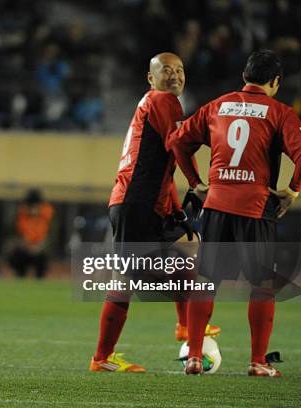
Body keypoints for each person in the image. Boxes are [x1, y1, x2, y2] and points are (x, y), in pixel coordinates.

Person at [170, 50, 301, 377]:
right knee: (262, 285)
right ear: (275, 82)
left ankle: (194, 356)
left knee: (206, 281)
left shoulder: (217, 105)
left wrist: (195, 183)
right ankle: (257, 362)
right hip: (255, 205)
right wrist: (292, 190)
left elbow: (177, 140)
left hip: (217, 203)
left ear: (244, 75)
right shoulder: (279, 112)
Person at [89, 52, 219, 374]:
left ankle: (185, 327)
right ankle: (102, 359)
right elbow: (179, 143)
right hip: (136, 204)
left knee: (188, 245)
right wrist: (198, 180)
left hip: (149, 202)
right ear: (151, 78)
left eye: (179, 70)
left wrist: (176, 206)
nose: (174, 76)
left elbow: (163, 162)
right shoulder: (163, 100)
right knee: (125, 281)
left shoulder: (160, 103)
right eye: (166, 71)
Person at [8, 189, 54, 279]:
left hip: (40, 250)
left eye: (36, 206)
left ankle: (40, 279)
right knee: (17, 258)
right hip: (23, 249)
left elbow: (50, 236)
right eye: (31, 206)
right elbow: (15, 235)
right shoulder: (20, 216)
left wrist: (39, 246)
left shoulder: (47, 218)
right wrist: (26, 246)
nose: (33, 209)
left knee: (43, 260)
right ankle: (20, 276)